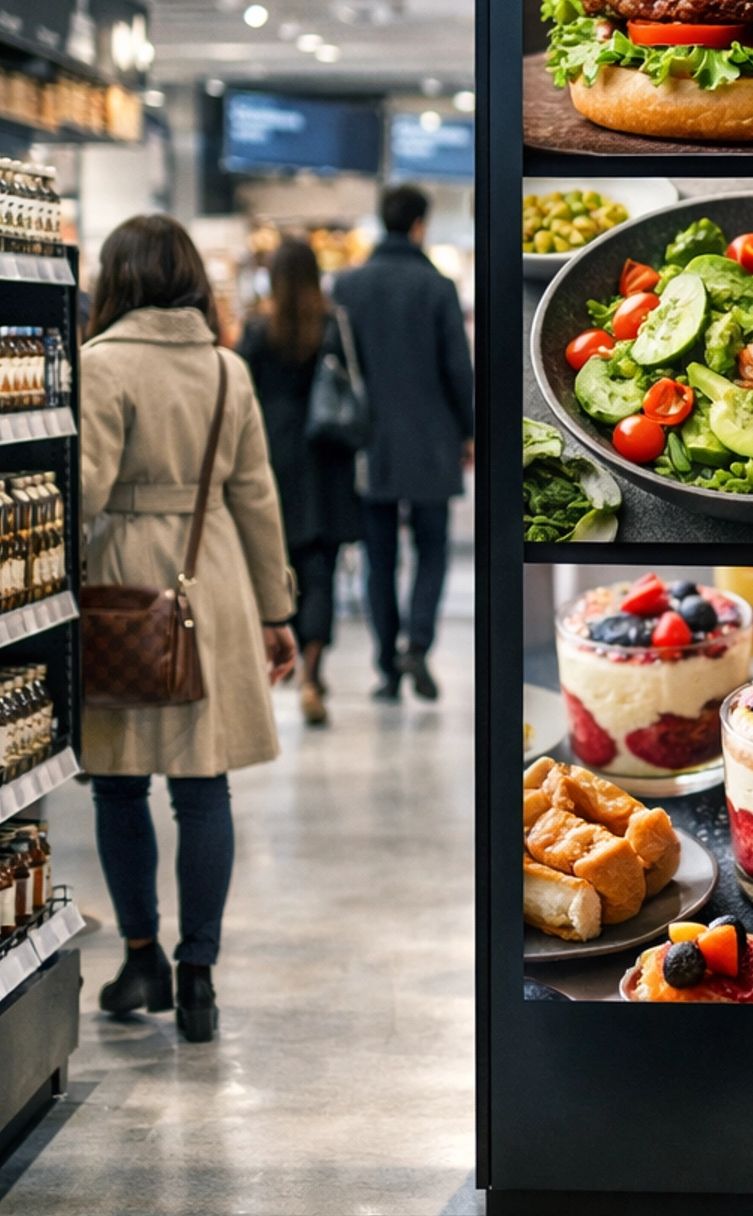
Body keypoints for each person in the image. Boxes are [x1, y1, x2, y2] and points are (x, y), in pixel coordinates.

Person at [81, 215, 298, 1042]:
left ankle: (142, 958)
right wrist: (278, 610)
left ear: (118, 279)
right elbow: (256, 493)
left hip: (127, 582)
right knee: (205, 787)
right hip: (212, 577)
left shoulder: (100, 367)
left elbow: (88, 488)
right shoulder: (225, 367)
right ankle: (198, 973)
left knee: (120, 779)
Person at [333, 183, 474, 701]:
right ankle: (418, 642)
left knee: (380, 555)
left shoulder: (347, 287)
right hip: (432, 439)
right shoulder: (436, 287)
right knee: (432, 547)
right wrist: (469, 430)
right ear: (419, 225)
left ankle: (386, 666)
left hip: (369, 443)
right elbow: (459, 369)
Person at [238, 238, 363, 725]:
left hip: (270, 455)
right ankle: (311, 673)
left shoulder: (256, 329)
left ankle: (273, 665)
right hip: (325, 457)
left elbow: (240, 391)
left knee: (273, 564)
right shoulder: (331, 326)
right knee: (320, 569)